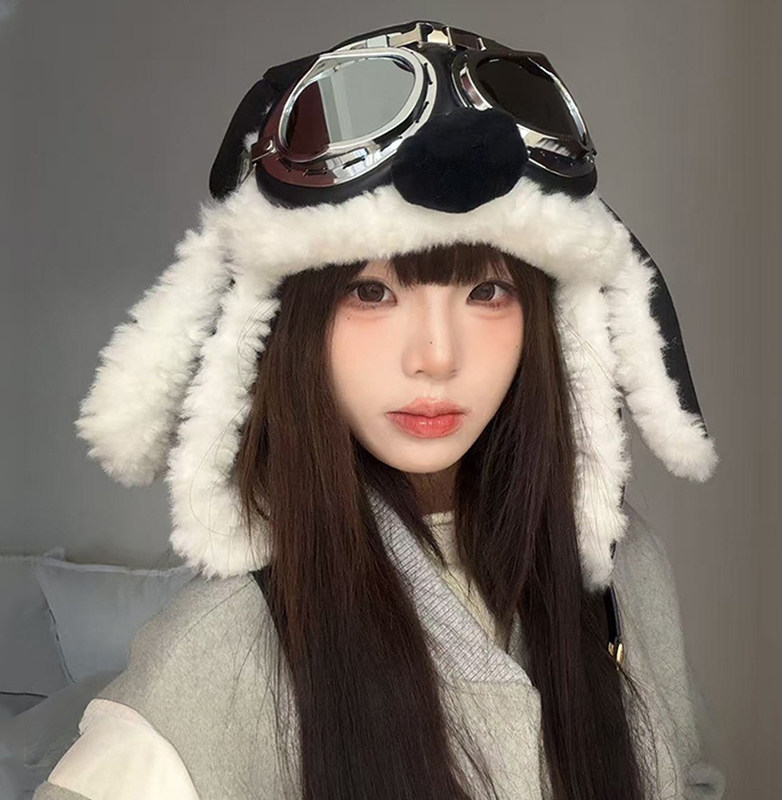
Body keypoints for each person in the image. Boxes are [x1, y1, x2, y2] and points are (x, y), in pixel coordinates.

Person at [34, 19, 726, 800]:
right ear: (291, 323)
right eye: (371, 292)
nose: (436, 356)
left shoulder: (625, 573)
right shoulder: (214, 655)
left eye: (487, 291)